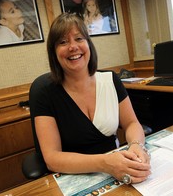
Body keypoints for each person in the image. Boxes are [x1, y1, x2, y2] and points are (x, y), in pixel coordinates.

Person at [31, 12, 151, 184]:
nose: (73, 47)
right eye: (63, 42)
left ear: (88, 44)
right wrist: (105, 163)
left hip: (117, 171)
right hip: (72, 178)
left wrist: (136, 146)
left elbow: (132, 123)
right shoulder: (44, 92)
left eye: (79, 38)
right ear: (54, 52)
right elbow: (52, 158)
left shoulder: (111, 80)